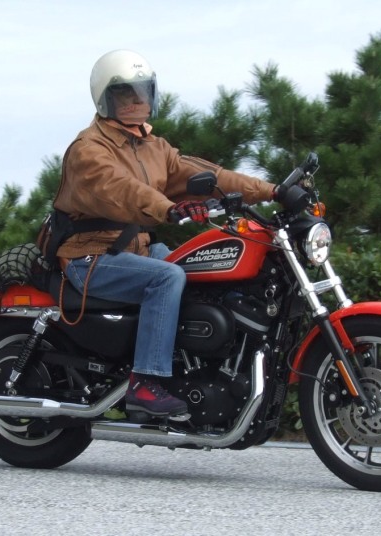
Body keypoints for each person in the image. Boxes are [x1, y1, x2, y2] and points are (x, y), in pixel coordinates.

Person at [51, 49, 275, 417]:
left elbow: (210, 175)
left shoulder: (154, 147)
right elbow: (123, 189)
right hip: (88, 256)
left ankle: (190, 369)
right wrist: (168, 208)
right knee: (167, 278)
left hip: (134, 250)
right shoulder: (88, 151)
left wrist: (272, 191)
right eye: (125, 93)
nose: (136, 100)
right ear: (105, 98)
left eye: (142, 91)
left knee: (198, 274)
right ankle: (144, 382)